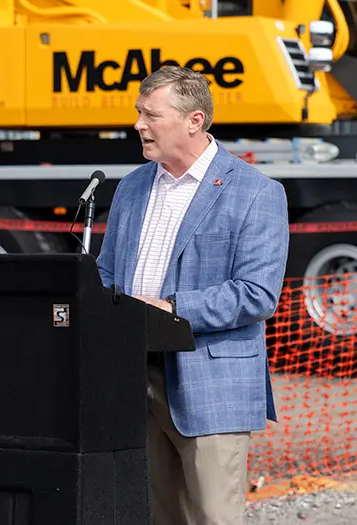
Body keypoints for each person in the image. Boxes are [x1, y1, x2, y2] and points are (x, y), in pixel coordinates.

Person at [96, 66, 290, 525]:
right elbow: (106, 273)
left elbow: (257, 294)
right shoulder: (132, 187)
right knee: (158, 516)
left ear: (194, 121)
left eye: (151, 115)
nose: (138, 125)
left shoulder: (255, 192)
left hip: (210, 387)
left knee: (213, 518)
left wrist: (171, 309)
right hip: (137, 378)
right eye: (138, 113)